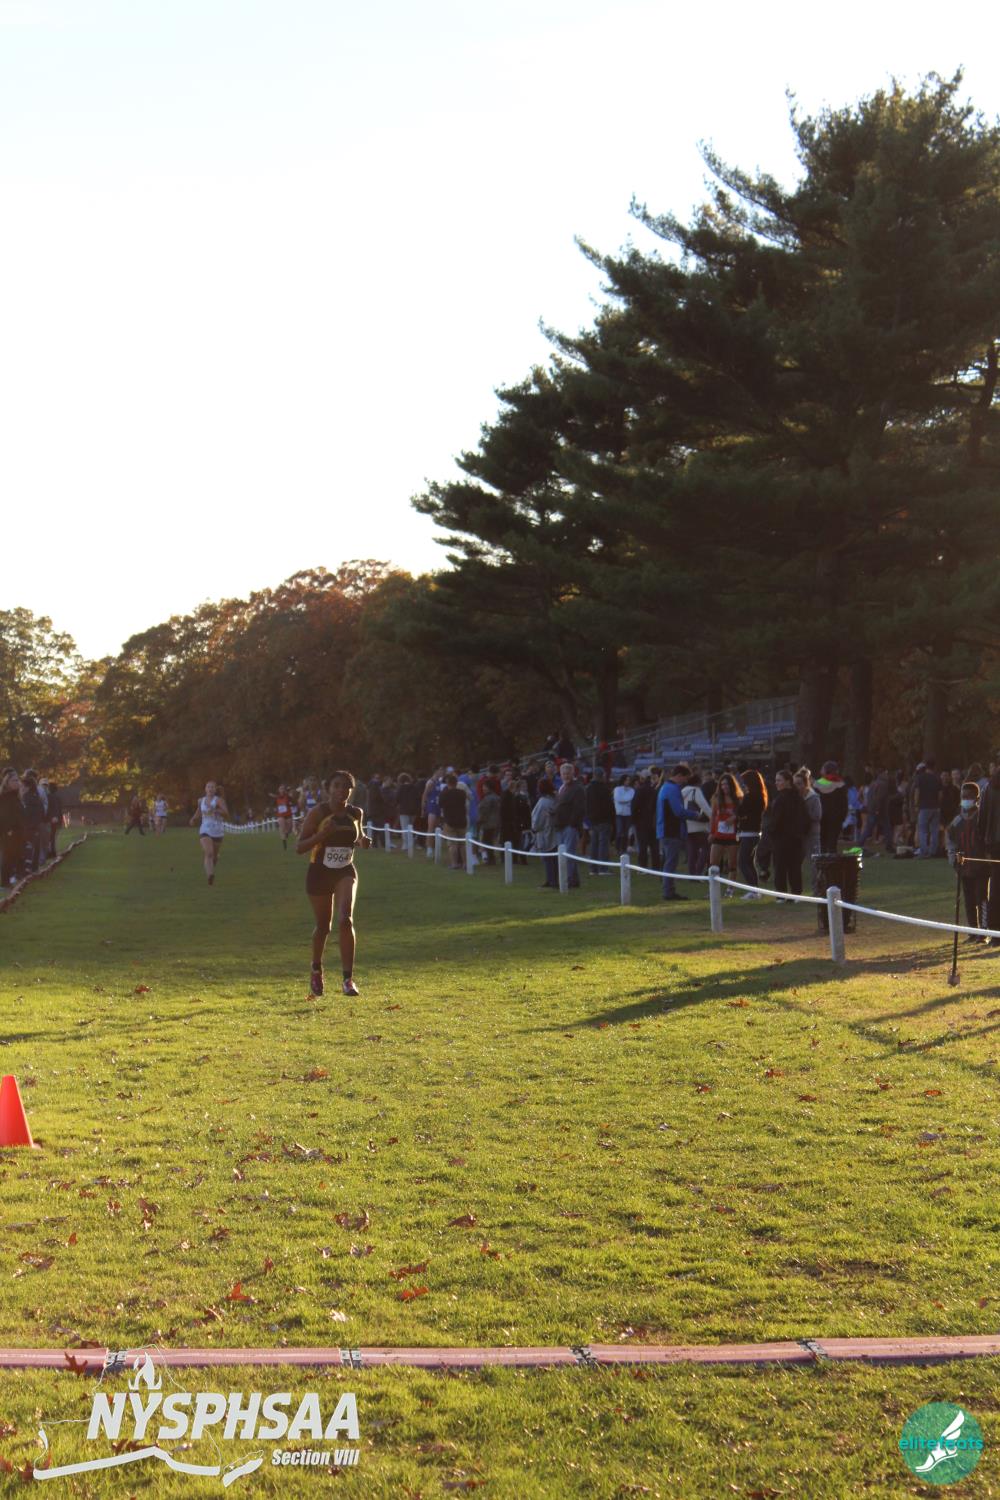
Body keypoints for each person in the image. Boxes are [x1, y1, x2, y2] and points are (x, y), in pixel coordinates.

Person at [297, 769, 371, 996]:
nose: (342, 790)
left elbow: (357, 837)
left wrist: (363, 842)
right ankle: (316, 969)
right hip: (319, 872)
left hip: (345, 871)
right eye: (337, 785)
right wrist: (322, 834)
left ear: (351, 790)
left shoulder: (356, 813)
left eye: (347, 787)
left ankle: (348, 980)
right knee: (323, 926)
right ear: (328, 788)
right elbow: (300, 847)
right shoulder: (318, 813)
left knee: (345, 919)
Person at [947, 782, 986, 940]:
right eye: (963, 797)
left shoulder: (982, 818)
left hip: (981, 867)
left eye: (969, 797)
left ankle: (983, 932)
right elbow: (951, 841)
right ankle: (972, 931)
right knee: (968, 901)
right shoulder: (957, 821)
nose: (965, 800)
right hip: (964, 868)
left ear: (976, 798)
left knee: (981, 899)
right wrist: (953, 860)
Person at [656, 763, 694, 901]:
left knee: (668, 861)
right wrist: (696, 815)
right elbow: (678, 811)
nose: (685, 782)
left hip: (665, 830)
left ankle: (668, 890)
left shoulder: (665, 787)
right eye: (685, 778)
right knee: (671, 862)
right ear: (679, 776)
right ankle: (668, 892)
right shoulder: (672, 789)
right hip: (671, 831)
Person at [769, 769, 808, 899]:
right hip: (796, 839)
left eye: (779, 780)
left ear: (787, 782)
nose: (776, 783)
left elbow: (776, 820)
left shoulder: (780, 799)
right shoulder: (799, 798)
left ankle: (781, 895)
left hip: (782, 839)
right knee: (794, 867)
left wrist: (772, 832)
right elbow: (805, 818)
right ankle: (796, 893)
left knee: (780, 867)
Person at [553, 762, 586, 888]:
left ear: (573, 774)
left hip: (569, 826)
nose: (566, 776)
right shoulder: (562, 788)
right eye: (564, 774)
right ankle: (572, 879)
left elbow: (579, 809)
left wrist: (572, 824)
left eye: (568, 773)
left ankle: (570, 880)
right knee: (565, 854)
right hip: (560, 825)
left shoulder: (578, 789)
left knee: (569, 854)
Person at [190, 780, 228, 885]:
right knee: (209, 853)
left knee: (214, 856)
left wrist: (216, 810)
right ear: (205, 789)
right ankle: (210, 875)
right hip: (205, 829)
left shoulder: (219, 800)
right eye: (208, 787)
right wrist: (193, 818)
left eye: (212, 787)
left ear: (215, 790)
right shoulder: (200, 800)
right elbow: (199, 811)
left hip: (217, 830)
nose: (210, 789)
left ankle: (211, 868)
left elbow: (226, 814)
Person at [736, 769, 767, 897]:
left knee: (743, 862)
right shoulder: (761, 796)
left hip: (748, 831)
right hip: (755, 831)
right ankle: (755, 890)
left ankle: (752, 890)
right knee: (749, 862)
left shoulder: (750, 796)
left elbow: (740, 812)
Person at [794, 768, 822, 890]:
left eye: (799, 784)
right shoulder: (795, 797)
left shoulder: (813, 797)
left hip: (811, 834)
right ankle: (796, 889)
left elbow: (818, 815)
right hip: (799, 834)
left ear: (806, 784)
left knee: (815, 862)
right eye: (795, 784)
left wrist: (803, 815)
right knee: (796, 862)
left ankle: (817, 888)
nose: (797, 787)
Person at [531, 777, 559, 888]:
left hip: (545, 832)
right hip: (554, 832)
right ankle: (552, 879)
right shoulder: (554, 799)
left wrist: (534, 828)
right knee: (553, 857)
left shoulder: (543, 802)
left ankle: (552, 880)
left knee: (548, 858)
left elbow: (537, 821)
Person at [584, 768, 614, 872]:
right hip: (604, 820)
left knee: (594, 844)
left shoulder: (588, 789)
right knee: (603, 844)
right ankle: (603, 868)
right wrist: (612, 819)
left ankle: (593, 867)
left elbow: (586, 805)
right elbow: (610, 806)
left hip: (592, 820)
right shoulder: (604, 789)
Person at [439, 772, 469, 870]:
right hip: (462, 820)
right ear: (456, 783)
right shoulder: (462, 793)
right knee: (463, 844)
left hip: (450, 820)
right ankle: (465, 863)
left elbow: (441, 806)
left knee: (452, 844)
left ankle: (454, 863)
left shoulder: (444, 794)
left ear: (448, 783)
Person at [913, 759, 942, 858]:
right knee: (934, 830)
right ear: (934, 767)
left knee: (922, 830)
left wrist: (916, 804)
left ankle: (924, 851)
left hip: (924, 807)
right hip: (935, 807)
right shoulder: (937, 778)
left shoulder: (920, 778)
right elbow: (940, 795)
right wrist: (938, 803)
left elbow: (917, 792)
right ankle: (933, 851)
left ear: (926, 766)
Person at [0, 769, 25, 886]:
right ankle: (5, 882)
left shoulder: (17, 797)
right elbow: (4, 815)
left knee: (15, 855)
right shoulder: (4, 796)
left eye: (17, 780)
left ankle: (11, 878)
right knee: (8, 856)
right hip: (9, 832)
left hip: (18, 831)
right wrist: (8, 830)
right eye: (14, 780)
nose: (17, 782)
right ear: (7, 782)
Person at [20, 772, 48, 871]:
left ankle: (27, 869)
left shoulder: (26, 798)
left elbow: (26, 813)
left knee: (28, 849)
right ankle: (34, 868)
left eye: (22, 786)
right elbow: (42, 811)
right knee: (35, 848)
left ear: (27, 787)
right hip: (36, 826)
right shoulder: (36, 797)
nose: (20, 788)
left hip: (28, 827)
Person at [613, 775, 635, 855]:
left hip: (628, 814)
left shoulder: (632, 790)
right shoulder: (617, 789)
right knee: (619, 831)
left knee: (626, 832)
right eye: (627, 780)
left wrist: (624, 799)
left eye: (629, 780)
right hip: (619, 813)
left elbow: (631, 798)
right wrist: (627, 800)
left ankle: (623, 849)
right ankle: (617, 848)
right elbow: (618, 799)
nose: (628, 782)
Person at [271, 784, 296, 850]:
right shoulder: (276, 798)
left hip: (288, 815)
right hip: (280, 816)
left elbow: (294, 802)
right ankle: (284, 845)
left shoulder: (288, 796)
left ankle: (287, 833)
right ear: (279, 790)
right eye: (281, 789)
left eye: (283, 789)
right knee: (282, 828)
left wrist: (291, 804)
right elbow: (272, 805)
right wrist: (274, 809)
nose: (282, 790)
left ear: (285, 790)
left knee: (289, 829)